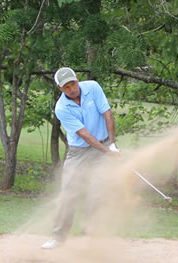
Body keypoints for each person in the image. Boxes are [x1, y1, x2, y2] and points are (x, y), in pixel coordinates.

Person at [41, 67, 119, 249]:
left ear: (77, 80)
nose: (71, 89)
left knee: (98, 191)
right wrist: (108, 152)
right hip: (79, 152)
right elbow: (84, 134)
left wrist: (112, 144)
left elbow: (107, 114)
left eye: (73, 83)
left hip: (104, 145)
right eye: (66, 87)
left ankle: (91, 235)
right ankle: (58, 237)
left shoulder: (93, 87)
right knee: (69, 192)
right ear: (61, 89)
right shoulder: (61, 108)